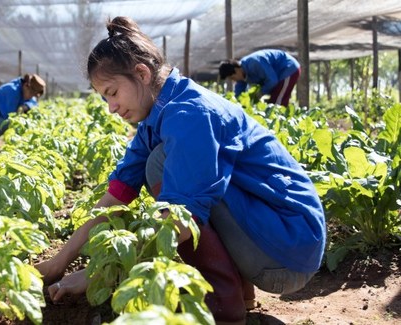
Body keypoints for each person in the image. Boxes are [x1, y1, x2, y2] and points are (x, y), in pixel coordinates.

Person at [35, 17, 326, 325]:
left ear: (142, 74)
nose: (111, 107)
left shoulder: (190, 115)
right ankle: (241, 295)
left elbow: (181, 221)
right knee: (159, 166)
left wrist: (99, 274)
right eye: (105, 97)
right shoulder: (158, 114)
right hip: (274, 238)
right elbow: (117, 194)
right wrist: (59, 261)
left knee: (164, 169)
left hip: (287, 252)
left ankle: (224, 311)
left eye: (112, 92)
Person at [0, 73, 46, 153]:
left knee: (27, 119)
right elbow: (9, 116)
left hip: (4, 117)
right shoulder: (11, 90)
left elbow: (34, 104)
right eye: (32, 94)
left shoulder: (25, 90)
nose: (31, 97)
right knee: (9, 123)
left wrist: (26, 106)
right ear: (26, 86)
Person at [219, 49, 300, 106]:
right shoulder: (241, 76)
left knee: (277, 103)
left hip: (287, 68)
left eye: (233, 78)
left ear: (236, 70)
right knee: (274, 101)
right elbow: (239, 95)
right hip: (279, 74)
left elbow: (272, 80)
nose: (234, 81)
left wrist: (260, 93)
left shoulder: (254, 63)